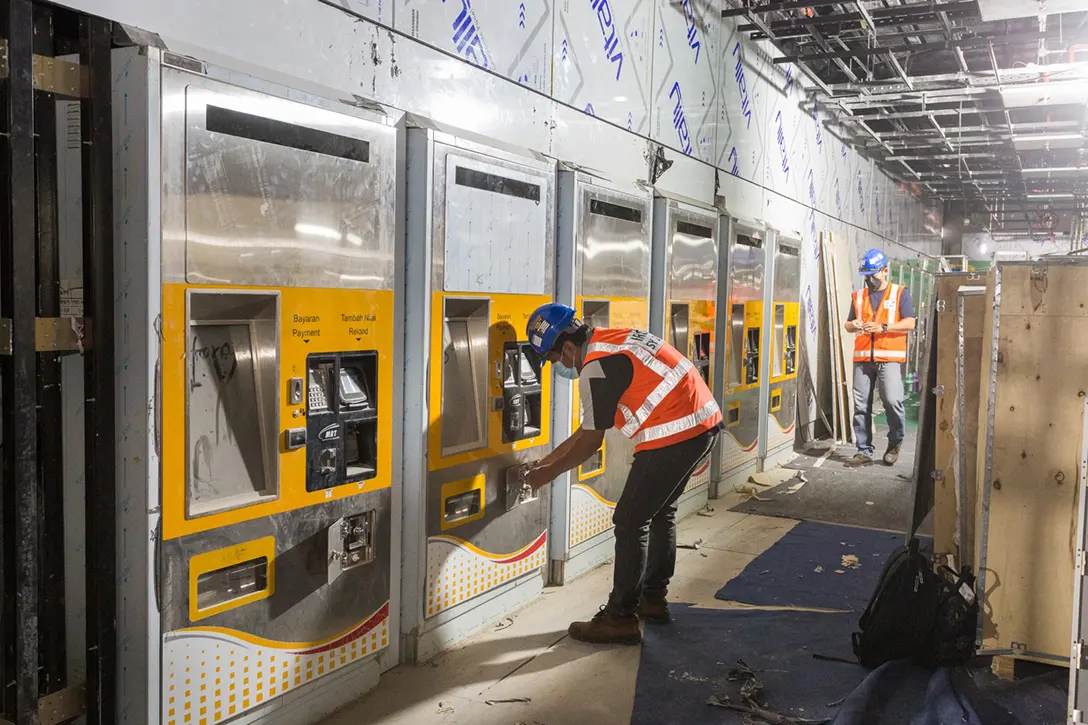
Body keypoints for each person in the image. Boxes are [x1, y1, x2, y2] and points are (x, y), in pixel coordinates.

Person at [523, 303, 723, 645]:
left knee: (630, 521)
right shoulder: (610, 342)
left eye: (555, 360)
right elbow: (587, 430)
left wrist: (548, 474)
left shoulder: (594, 367)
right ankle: (652, 599)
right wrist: (546, 461)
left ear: (568, 348)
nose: (559, 367)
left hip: (674, 432)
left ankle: (620, 617)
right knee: (660, 512)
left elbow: (590, 442)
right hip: (702, 423)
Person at [843, 249, 916, 467]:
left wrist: (883, 327)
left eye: (873, 275)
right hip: (863, 359)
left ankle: (895, 443)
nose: (869, 279)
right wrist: (853, 324)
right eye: (866, 275)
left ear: (885, 271)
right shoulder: (858, 296)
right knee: (861, 406)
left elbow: (910, 322)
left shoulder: (900, 293)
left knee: (892, 401)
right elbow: (847, 324)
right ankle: (863, 450)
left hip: (889, 358)